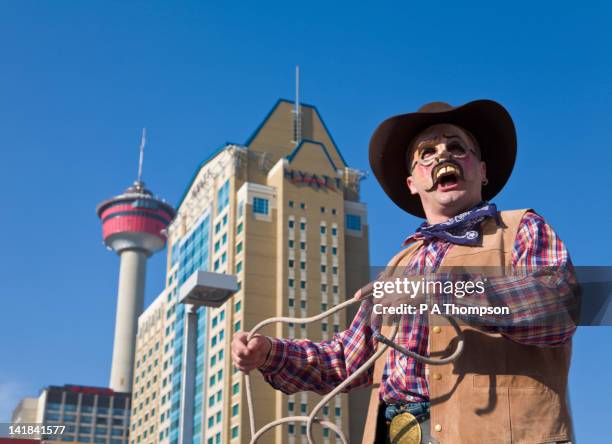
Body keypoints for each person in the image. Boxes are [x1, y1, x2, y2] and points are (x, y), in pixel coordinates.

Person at [231, 100, 578, 444]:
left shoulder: (521, 228)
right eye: (427, 152)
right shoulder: (398, 269)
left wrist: (440, 292)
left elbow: (558, 307)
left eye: (457, 147)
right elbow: (346, 360)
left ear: (482, 170)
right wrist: (270, 353)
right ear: (412, 182)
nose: (443, 155)